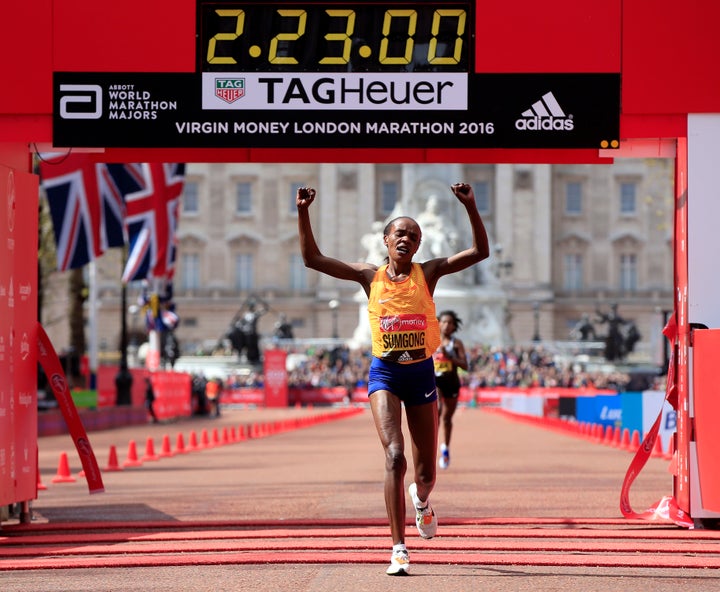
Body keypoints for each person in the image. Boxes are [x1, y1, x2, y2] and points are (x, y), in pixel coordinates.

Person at [297, 182, 489, 576]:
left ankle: (421, 502)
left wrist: (470, 206)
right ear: (386, 240)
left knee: (425, 475)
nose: (406, 239)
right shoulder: (369, 276)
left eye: (413, 236)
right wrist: (303, 211)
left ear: (418, 246)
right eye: (400, 233)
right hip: (384, 372)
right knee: (394, 456)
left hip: (420, 373)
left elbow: (480, 252)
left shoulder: (428, 272)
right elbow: (313, 259)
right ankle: (398, 548)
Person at [432, 310, 469, 470]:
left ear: (454, 326)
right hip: (435, 382)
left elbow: (465, 366)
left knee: (447, 418)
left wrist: (450, 357)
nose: (447, 325)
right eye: (444, 322)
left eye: (450, 323)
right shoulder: (431, 340)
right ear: (438, 323)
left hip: (452, 382)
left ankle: (445, 448)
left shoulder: (456, 343)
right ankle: (430, 449)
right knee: (438, 412)